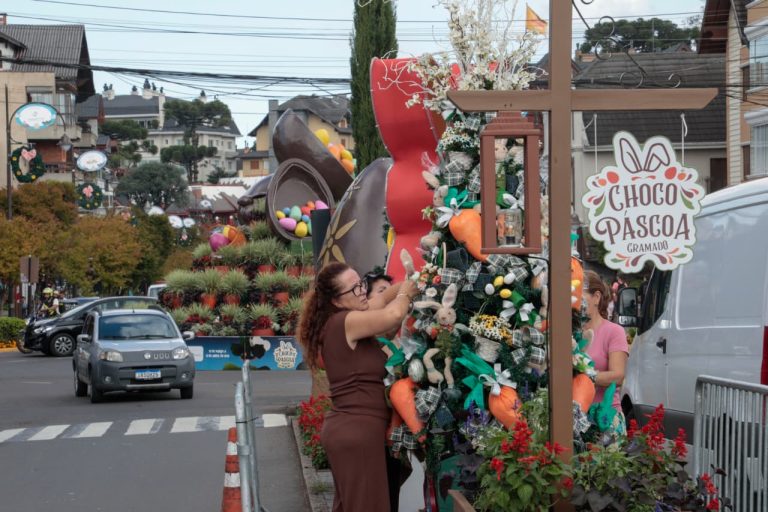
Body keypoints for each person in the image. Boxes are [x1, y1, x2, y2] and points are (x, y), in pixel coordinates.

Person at [298, 262, 419, 512]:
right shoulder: (345, 321)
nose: (362, 291)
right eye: (354, 289)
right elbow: (392, 315)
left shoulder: (347, 315)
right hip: (357, 433)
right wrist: (406, 293)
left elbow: (382, 299)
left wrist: (413, 283)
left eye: (361, 283)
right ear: (336, 301)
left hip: (355, 432)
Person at [363, 270, 410, 512]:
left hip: (390, 440)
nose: (392, 302)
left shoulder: (397, 345)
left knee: (390, 495)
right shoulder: (365, 342)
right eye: (384, 294)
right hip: (371, 437)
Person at [583, 271, 629, 434]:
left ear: (596, 297)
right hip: (575, 418)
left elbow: (618, 376)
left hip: (605, 419)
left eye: (578, 294)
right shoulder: (569, 333)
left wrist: (583, 376)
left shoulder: (614, 331)